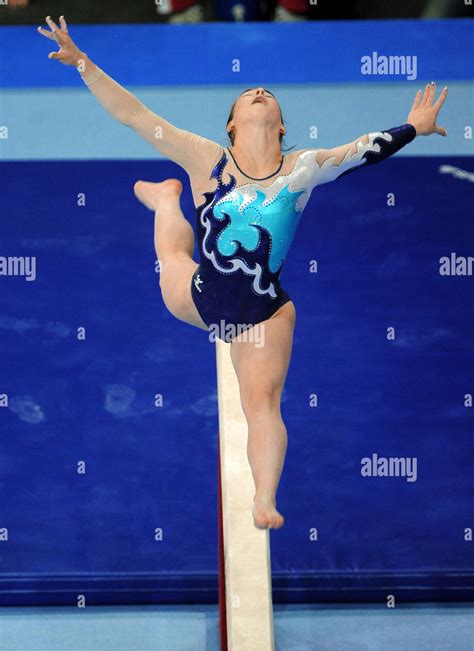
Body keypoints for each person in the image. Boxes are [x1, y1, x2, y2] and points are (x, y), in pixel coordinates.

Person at [38, 15, 448, 529]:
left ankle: (264, 499)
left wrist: (414, 126)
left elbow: (364, 150)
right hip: (199, 296)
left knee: (262, 403)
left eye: (267, 94)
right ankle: (166, 200)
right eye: (249, 94)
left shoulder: (303, 167)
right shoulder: (206, 158)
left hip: (262, 314)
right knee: (171, 256)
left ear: (281, 126)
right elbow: (134, 116)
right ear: (231, 124)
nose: (258, 92)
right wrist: (83, 64)